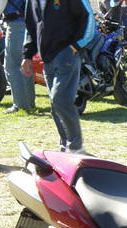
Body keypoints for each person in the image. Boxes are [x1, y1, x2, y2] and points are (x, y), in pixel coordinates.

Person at [20, 0, 95, 154]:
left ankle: (76, 147)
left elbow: (89, 18)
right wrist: (27, 55)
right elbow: (31, 27)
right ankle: (66, 145)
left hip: (67, 54)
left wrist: (76, 46)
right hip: (47, 58)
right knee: (56, 105)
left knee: (60, 100)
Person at [0, 0, 36, 113]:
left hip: (17, 24)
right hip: (32, 24)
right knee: (25, 64)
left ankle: (20, 105)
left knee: (12, 66)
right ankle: (29, 103)